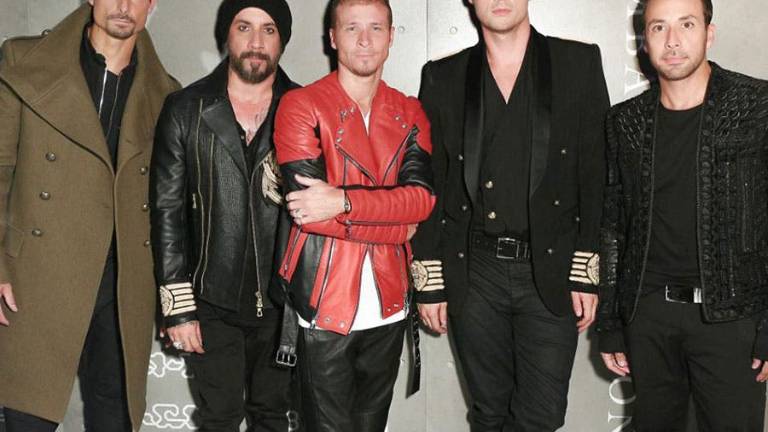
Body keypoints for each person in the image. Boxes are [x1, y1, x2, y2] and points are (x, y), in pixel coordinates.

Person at [411, 0, 610, 429]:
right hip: (474, 269)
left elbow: (596, 172)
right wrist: (429, 279)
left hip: (551, 266)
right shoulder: (442, 76)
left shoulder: (577, 63)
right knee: (489, 413)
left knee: (541, 416)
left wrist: (586, 269)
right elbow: (430, 182)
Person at [0, 1, 179, 431]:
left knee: (115, 418)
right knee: (27, 417)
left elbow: (168, 205)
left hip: (122, 285)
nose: (123, 6)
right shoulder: (23, 60)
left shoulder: (167, 94)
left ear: (152, 4)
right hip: (37, 274)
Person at [597, 0, 768, 430]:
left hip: (732, 316)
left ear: (709, 34)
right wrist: (611, 321)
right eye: (659, 27)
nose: (672, 41)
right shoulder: (626, 122)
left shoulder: (757, 107)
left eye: (686, 24)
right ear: (645, 41)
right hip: (649, 316)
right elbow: (614, 225)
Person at [271, 0, 435, 430]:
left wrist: (343, 201)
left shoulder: (409, 111)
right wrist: (397, 226)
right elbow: (308, 212)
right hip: (324, 299)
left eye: (376, 28)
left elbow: (421, 200)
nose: (364, 40)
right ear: (332, 37)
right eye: (351, 28)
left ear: (391, 37)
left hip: (389, 303)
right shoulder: (300, 105)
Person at [150, 0, 298, 430]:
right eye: (244, 27)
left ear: (282, 40)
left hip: (285, 302)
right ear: (226, 35)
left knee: (274, 417)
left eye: (269, 29)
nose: (256, 42)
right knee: (219, 418)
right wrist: (178, 308)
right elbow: (166, 213)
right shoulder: (185, 108)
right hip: (211, 300)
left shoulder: (306, 109)